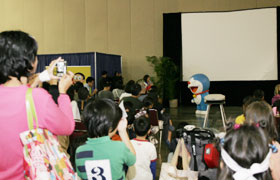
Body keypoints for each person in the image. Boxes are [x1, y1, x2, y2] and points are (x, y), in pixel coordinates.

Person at [0, 30, 75, 179]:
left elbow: (20, 90)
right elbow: (67, 127)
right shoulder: (38, 98)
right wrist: (63, 93)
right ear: (30, 61)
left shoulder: (31, 95)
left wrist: (44, 76)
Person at [75, 99, 136, 180]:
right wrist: (123, 132)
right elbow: (132, 159)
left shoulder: (80, 151)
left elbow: (82, 175)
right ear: (110, 127)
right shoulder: (119, 147)